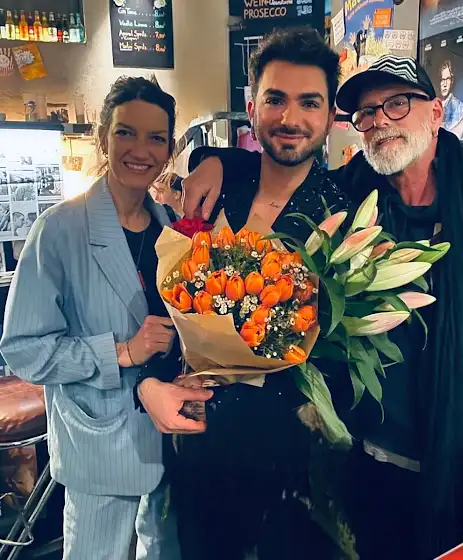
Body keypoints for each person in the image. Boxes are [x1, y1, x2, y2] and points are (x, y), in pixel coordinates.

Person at [181, 54, 463, 560]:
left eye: (397, 104)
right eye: (366, 112)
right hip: (362, 472)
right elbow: (285, 161)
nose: (379, 119)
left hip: (458, 481)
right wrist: (215, 160)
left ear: (436, 113)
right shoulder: (350, 200)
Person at [144, 27, 350, 560]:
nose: (290, 117)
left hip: (297, 483)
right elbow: (161, 311)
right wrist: (149, 385)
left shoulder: (346, 217)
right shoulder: (214, 199)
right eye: (275, 99)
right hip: (199, 460)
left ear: (331, 116)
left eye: (310, 102)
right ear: (252, 108)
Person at [0, 76, 213, 559]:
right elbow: (24, 350)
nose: (141, 150)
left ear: (170, 150)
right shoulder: (59, 230)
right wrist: (120, 352)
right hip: (101, 443)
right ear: (102, 137)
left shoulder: (171, 230)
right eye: (125, 133)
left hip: (170, 438)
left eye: (156, 137)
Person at [439, 60, 461, 130]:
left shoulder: (456, 105)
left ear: (452, 81)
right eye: (442, 79)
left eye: (448, 79)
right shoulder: (433, 103)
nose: (445, 84)